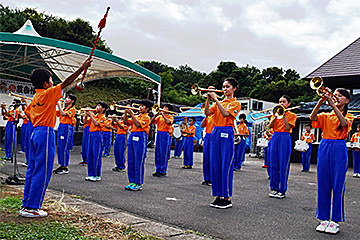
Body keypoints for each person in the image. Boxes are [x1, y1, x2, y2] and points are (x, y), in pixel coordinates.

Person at [20, 59, 92, 218]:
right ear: (46, 84)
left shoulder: (35, 97)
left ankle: (26, 204)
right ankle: (32, 207)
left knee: (32, 170)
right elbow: (66, 83)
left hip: (35, 132)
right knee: (43, 171)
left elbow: (29, 116)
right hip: (45, 133)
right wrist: (82, 67)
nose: (53, 83)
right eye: (51, 80)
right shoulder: (48, 93)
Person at [310, 88, 353, 234]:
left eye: (340, 96)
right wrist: (321, 101)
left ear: (347, 100)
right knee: (323, 183)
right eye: (336, 95)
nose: (337, 97)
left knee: (338, 183)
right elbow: (312, 117)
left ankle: (335, 221)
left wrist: (333, 105)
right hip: (324, 145)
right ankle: (323, 218)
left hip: (338, 147)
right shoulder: (326, 115)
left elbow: (344, 124)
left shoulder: (349, 115)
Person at [204, 77, 241, 209]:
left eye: (227, 87)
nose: (224, 89)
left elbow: (226, 114)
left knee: (226, 165)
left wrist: (216, 99)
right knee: (215, 165)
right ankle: (218, 195)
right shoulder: (219, 102)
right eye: (223, 86)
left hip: (226, 131)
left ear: (234, 88)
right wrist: (208, 98)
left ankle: (226, 197)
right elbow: (207, 112)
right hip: (215, 131)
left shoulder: (235, 103)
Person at [268, 95, 297, 199]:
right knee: (273, 163)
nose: (281, 104)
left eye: (284, 102)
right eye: (280, 102)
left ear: (288, 104)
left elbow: (287, 127)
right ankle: (274, 188)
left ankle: (282, 190)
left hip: (285, 136)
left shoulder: (292, 115)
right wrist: (276, 115)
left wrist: (283, 115)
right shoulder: (274, 113)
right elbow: (270, 126)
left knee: (283, 164)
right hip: (275, 136)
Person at [123, 100, 152, 191]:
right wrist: (125, 114)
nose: (140, 107)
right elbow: (127, 123)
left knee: (138, 160)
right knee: (131, 160)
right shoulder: (138, 116)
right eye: (139, 106)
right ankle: (132, 181)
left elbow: (138, 125)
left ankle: (138, 183)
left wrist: (131, 114)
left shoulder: (146, 117)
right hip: (132, 135)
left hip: (140, 136)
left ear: (147, 108)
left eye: (142, 106)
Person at [53, 94, 77, 175]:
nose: (66, 99)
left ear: (72, 101)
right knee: (60, 147)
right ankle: (61, 165)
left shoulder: (72, 109)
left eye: (68, 98)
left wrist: (59, 105)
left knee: (64, 147)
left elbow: (63, 114)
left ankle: (65, 167)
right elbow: (56, 113)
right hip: (61, 126)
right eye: (66, 98)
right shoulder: (65, 108)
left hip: (66, 127)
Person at [85, 102, 107, 182]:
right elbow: (85, 122)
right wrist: (85, 115)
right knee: (90, 154)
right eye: (97, 106)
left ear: (103, 109)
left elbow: (96, 123)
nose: (97, 107)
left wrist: (91, 115)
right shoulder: (95, 116)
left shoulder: (103, 117)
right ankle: (90, 174)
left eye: (99, 106)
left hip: (97, 135)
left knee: (96, 155)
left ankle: (96, 174)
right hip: (91, 134)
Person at [151, 104, 174, 177]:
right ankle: (158, 169)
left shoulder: (170, 117)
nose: (164, 108)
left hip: (165, 134)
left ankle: (163, 170)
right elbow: (152, 122)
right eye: (164, 107)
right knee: (157, 152)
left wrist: (163, 115)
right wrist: (155, 115)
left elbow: (168, 122)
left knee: (164, 153)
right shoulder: (159, 117)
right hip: (159, 133)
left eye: (166, 108)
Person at [200, 115, 214, 186]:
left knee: (213, 159)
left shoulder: (218, 116)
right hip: (207, 135)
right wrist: (206, 116)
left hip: (214, 135)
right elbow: (202, 125)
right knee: (206, 158)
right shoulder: (208, 117)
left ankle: (212, 179)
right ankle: (206, 178)